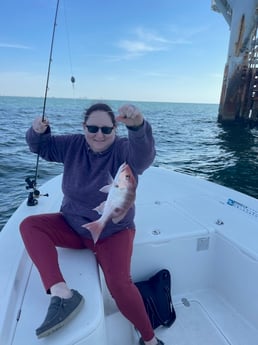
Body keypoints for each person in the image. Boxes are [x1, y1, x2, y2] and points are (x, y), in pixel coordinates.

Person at [20, 103, 164, 345]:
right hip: (74, 226)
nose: (99, 135)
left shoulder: (123, 151)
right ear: (83, 127)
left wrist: (138, 127)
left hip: (114, 231)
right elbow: (41, 147)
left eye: (107, 130)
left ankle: (149, 340)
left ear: (115, 130)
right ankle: (62, 294)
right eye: (93, 128)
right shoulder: (74, 145)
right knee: (29, 226)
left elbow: (143, 157)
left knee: (119, 284)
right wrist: (37, 131)